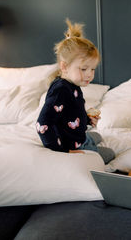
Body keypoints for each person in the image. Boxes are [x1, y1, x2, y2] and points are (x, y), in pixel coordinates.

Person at [36, 19, 114, 164]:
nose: (90, 74)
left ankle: (86, 138)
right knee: (110, 154)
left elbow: (70, 113)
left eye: (92, 69)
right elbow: (43, 124)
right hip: (70, 145)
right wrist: (62, 151)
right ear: (64, 66)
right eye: (84, 69)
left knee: (97, 136)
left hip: (76, 134)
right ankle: (84, 145)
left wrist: (87, 119)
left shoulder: (73, 84)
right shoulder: (61, 90)